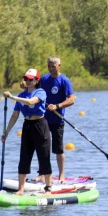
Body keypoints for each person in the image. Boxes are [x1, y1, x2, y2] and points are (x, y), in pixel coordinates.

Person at [1, 69, 52, 195]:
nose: (27, 81)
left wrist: (13, 97)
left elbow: (31, 102)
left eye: (30, 79)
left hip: (40, 125)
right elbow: (14, 115)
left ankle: (48, 188)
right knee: (24, 157)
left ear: (36, 80)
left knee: (44, 156)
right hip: (27, 126)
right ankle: (21, 189)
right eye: (26, 79)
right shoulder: (22, 95)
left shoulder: (41, 92)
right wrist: (6, 132)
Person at [40, 55, 75, 183]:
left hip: (57, 120)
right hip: (43, 119)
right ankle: (43, 174)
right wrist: (25, 86)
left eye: (53, 66)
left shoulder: (64, 81)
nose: (50, 69)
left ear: (59, 66)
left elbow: (71, 99)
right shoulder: (44, 79)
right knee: (42, 147)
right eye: (48, 66)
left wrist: (58, 106)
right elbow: (33, 88)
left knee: (58, 149)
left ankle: (61, 175)